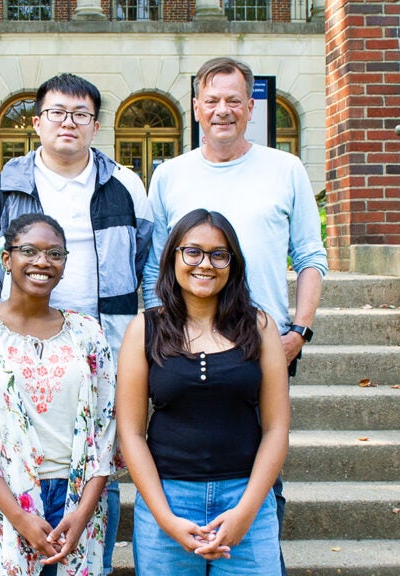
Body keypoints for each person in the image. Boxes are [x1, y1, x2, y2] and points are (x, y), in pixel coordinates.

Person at [142, 57, 327, 575]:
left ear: (250, 107)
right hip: (183, 344)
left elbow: (311, 257)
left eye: (234, 100)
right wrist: (161, 339)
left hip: (263, 343)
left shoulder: (284, 169)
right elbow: (158, 262)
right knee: (187, 447)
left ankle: (251, 550)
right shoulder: (170, 174)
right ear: (196, 108)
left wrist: (300, 332)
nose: (222, 110)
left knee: (261, 463)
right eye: (212, 100)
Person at [0, 72, 152, 574]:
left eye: (80, 115)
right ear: (37, 122)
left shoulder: (125, 186)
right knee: (18, 462)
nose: (68, 124)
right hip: (22, 356)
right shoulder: (5, 187)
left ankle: (85, 556)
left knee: (99, 461)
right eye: (56, 113)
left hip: (103, 352)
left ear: (96, 126)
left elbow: (145, 259)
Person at [0, 213, 117, 576]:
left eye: (55, 254)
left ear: (65, 264)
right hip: (4, 503)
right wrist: (19, 516)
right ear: (7, 259)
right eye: (29, 251)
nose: (42, 262)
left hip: (77, 502)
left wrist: (82, 512)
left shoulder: (87, 333)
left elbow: (106, 427)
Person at [117, 209, 290, 575]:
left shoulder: (259, 327)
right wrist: (165, 518)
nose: (205, 264)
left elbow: (276, 428)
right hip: (168, 500)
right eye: (192, 251)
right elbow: (131, 433)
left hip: (246, 498)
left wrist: (246, 513)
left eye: (218, 254)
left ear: (232, 264)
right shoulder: (144, 329)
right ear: (173, 258)